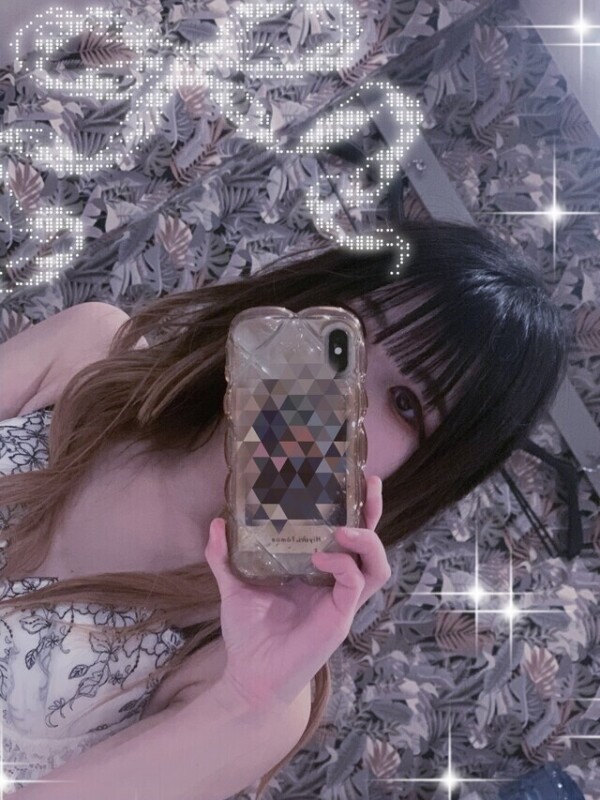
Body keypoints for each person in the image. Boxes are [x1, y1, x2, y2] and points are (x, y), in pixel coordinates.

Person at [0, 220, 569, 798]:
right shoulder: (88, 355)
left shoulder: (246, 673)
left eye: (404, 403)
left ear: (425, 471)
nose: (340, 391)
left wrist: (244, 703)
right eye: (346, 334)